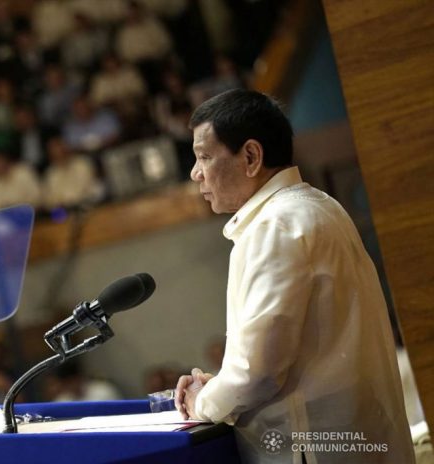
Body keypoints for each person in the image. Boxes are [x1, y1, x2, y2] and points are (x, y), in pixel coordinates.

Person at [174, 89, 414, 463]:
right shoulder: (318, 206)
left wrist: (201, 402)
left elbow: (258, 373)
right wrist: (221, 383)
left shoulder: (276, 225)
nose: (195, 173)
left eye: (204, 156)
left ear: (251, 157)